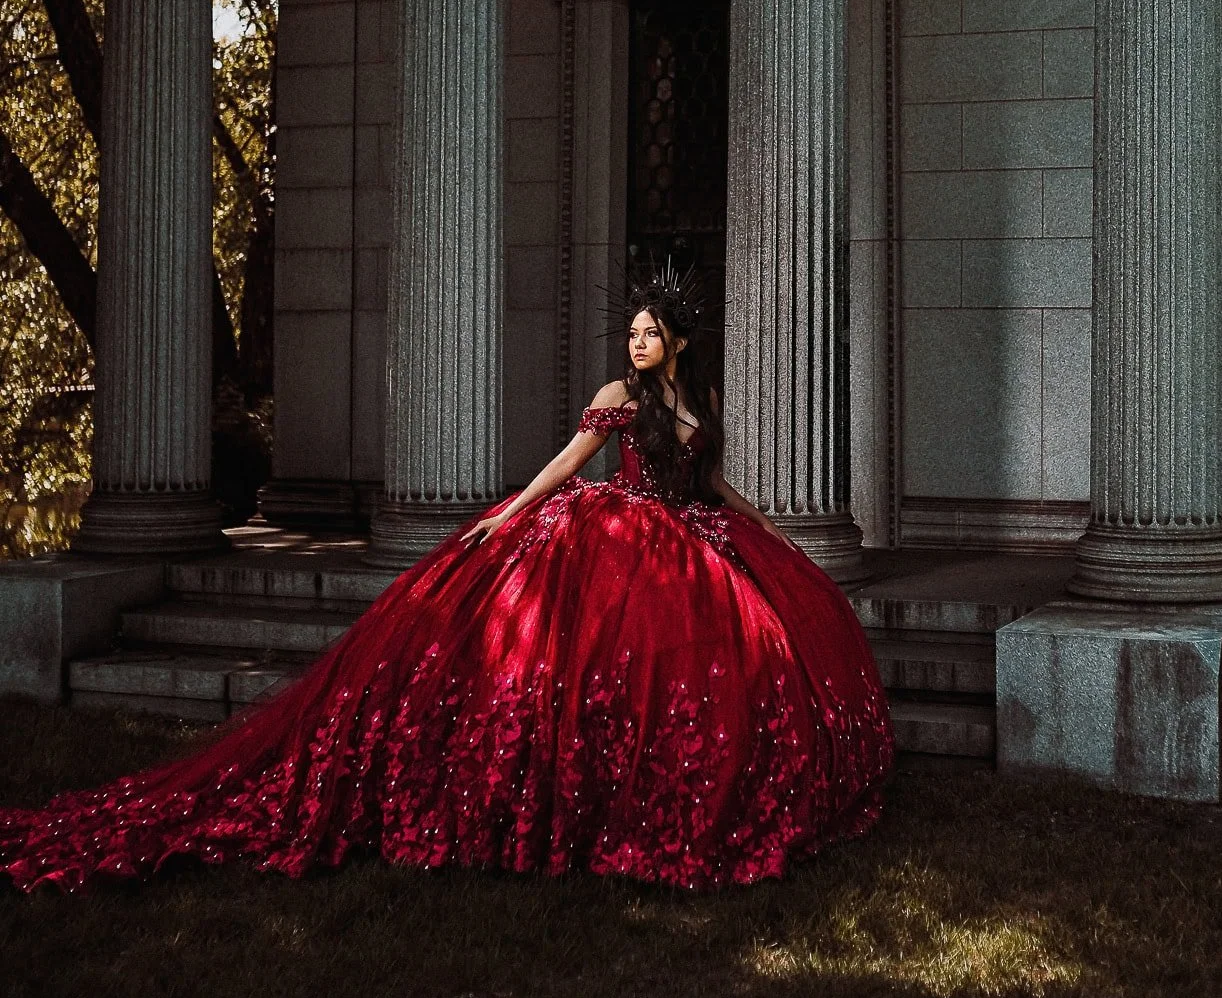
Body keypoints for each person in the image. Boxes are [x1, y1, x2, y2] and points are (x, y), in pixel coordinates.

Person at [0, 272, 893, 893]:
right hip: (625, 531)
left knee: (749, 647)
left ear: (679, 343)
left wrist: (759, 517)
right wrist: (512, 511)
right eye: (632, 332)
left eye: (651, 332)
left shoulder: (692, 404)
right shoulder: (617, 395)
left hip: (692, 529)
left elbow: (703, 476)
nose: (638, 342)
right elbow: (571, 459)